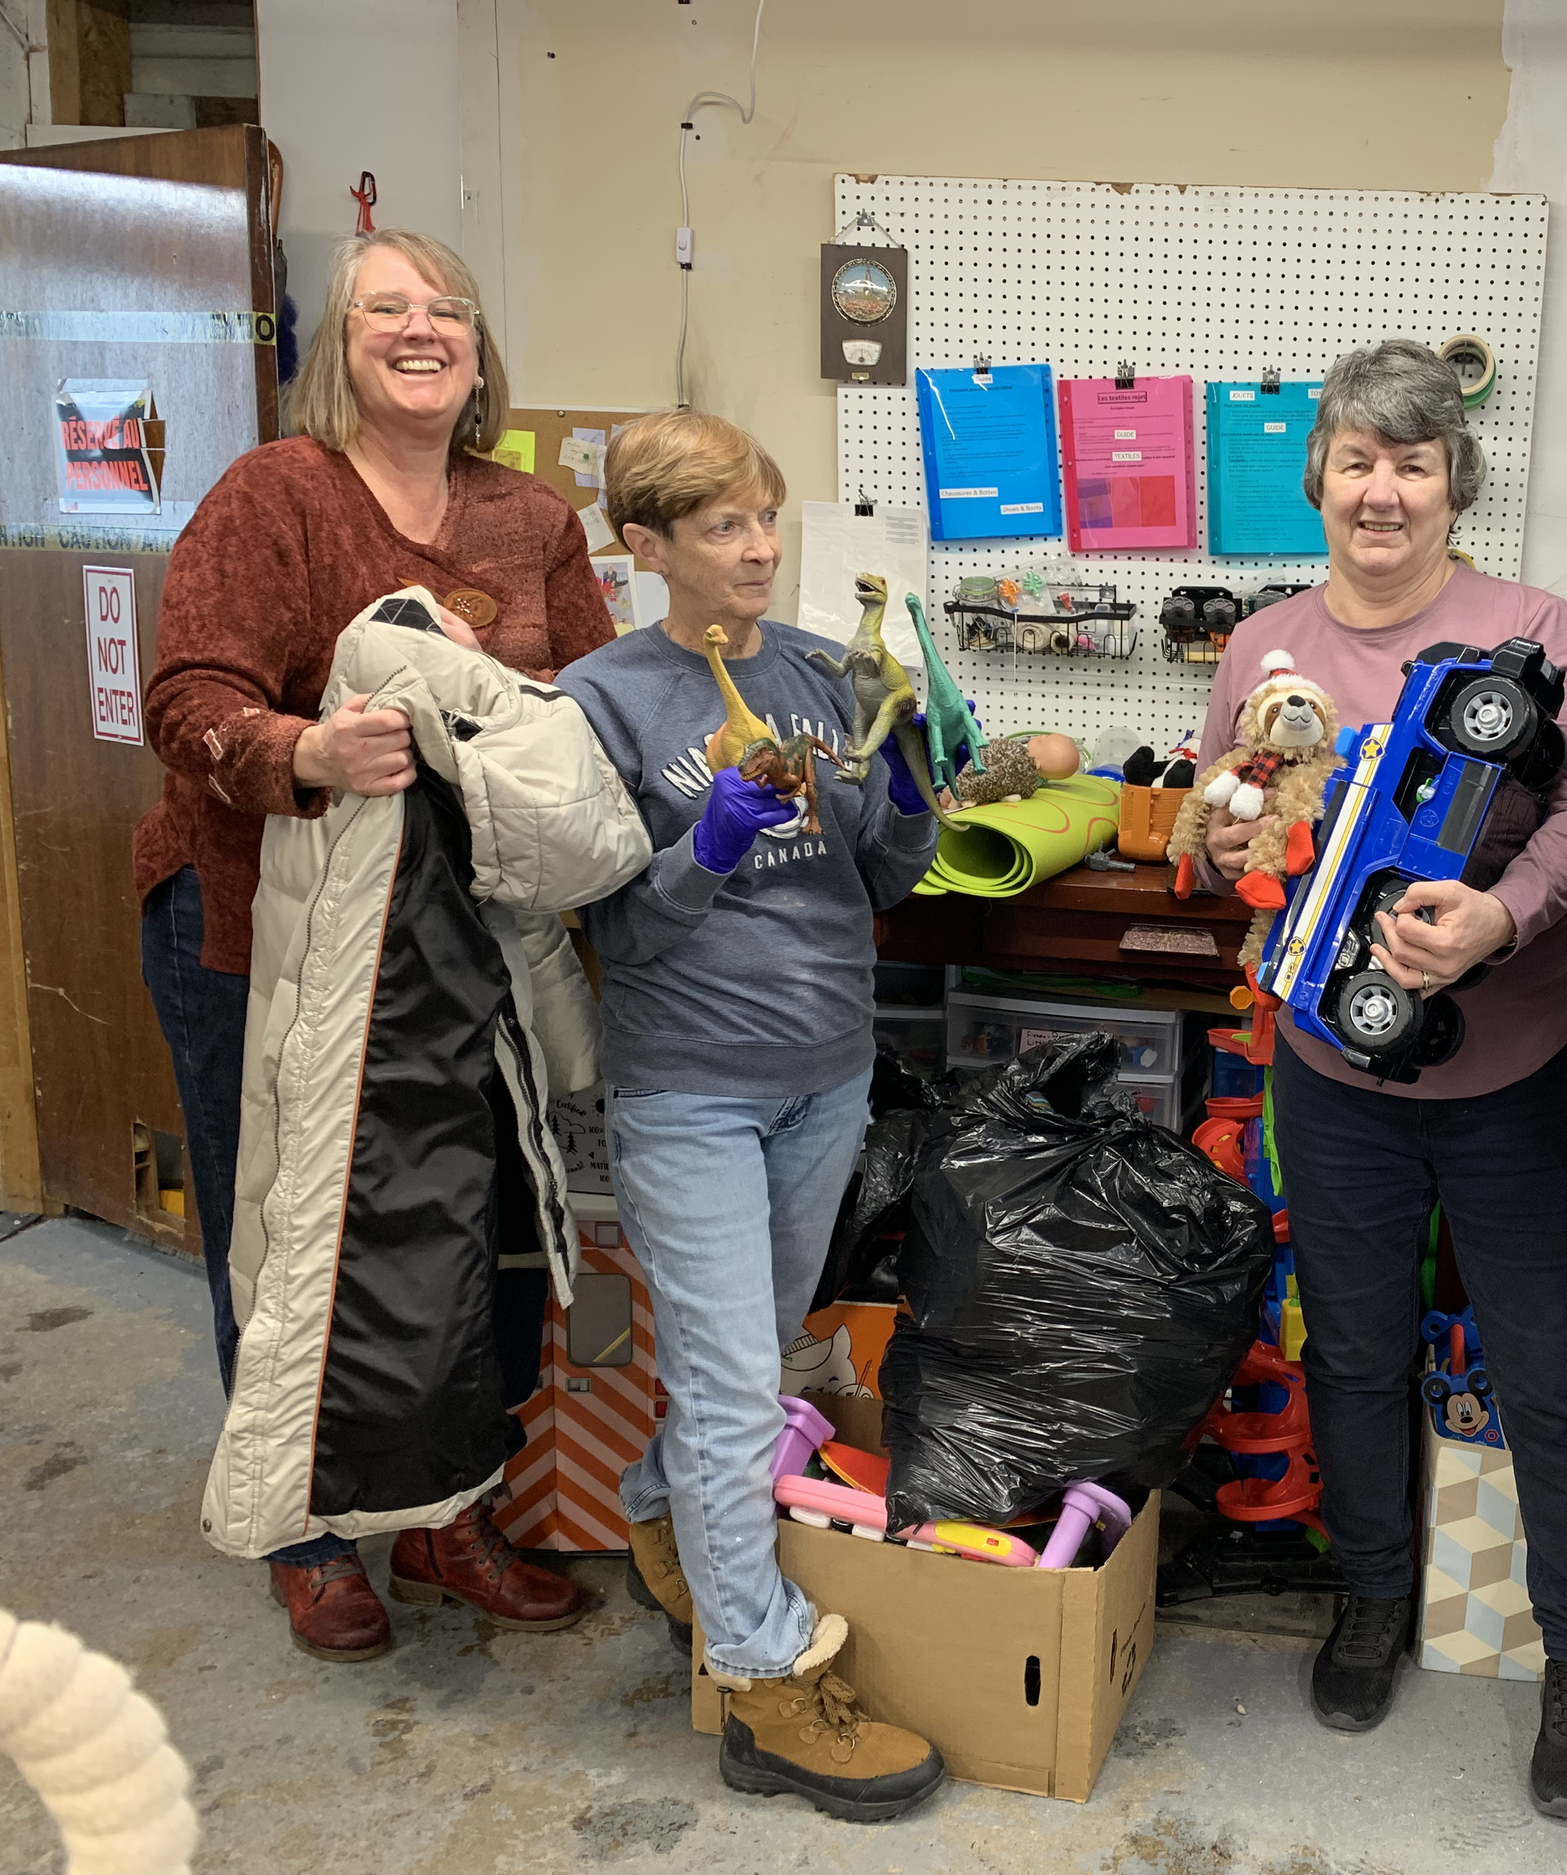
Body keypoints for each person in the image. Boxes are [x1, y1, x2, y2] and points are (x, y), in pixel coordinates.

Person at [137, 227, 614, 1662]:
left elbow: (594, 698)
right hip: (255, 929)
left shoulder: (531, 519)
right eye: (385, 309)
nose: (421, 330)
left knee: (466, 1230)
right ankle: (308, 1531)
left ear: (480, 350)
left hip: (462, 947)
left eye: (447, 310)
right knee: (292, 1230)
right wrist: (312, 746)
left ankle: (446, 1511)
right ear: (337, 345)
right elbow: (187, 698)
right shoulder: (276, 494)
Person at [1192, 339, 1567, 1820]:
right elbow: (1224, 816)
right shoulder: (1262, 645)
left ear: (1457, 483)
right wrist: (1224, 844)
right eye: (1359, 460)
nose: (1384, 490)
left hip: (1520, 1063)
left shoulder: (1537, 627)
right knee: (1356, 1352)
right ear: (1317, 475)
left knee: (1552, 1374)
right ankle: (1372, 1596)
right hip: (1333, 1068)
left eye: (1415, 462)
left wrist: (1501, 917)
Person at [559, 410, 947, 1825]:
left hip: (824, 1073)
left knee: (753, 1357)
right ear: (645, 544)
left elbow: (883, 877)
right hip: (690, 1090)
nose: (762, 547)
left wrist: (907, 794)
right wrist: (702, 845)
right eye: (725, 525)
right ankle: (765, 1683)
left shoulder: (819, 673)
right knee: (733, 1391)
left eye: (767, 517)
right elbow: (615, 926)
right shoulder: (599, 699)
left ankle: (662, 1508)